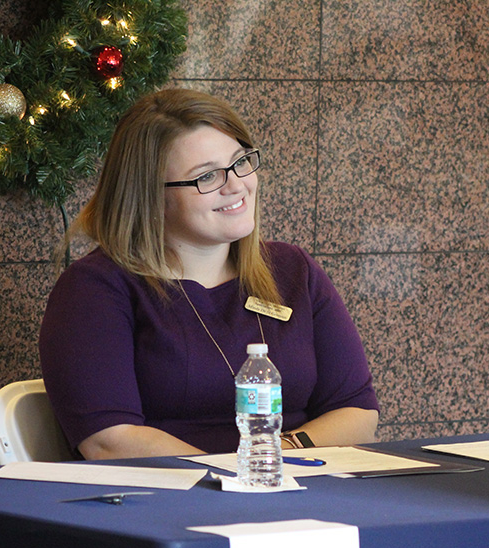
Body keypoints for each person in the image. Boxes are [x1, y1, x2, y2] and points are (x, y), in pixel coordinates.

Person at [39, 89, 379, 459]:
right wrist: (232, 476)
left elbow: (357, 412)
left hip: (296, 487)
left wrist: (272, 456)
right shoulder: (95, 289)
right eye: (207, 177)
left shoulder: (292, 270)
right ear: (151, 196)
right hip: (168, 502)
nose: (236, 185)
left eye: (240, 162)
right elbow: (109, 440)